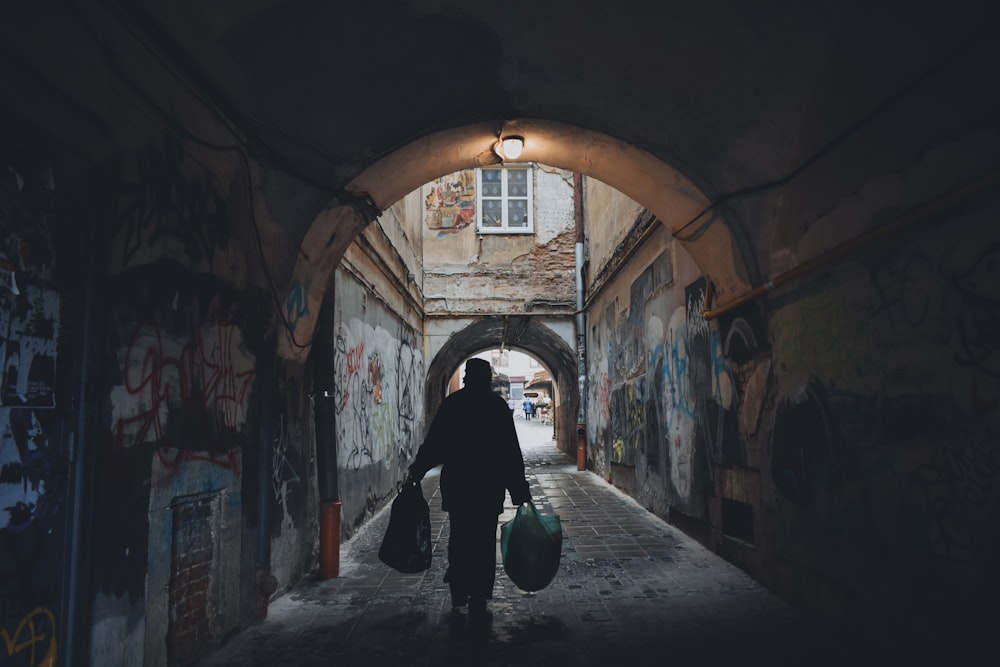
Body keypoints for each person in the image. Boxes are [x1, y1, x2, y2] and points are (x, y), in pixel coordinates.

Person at [408, 359, 531, 627]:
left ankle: (458, 589)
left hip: (459, 485)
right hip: (488, 487)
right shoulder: (496, 407)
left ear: (466, 379)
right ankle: (479, 596)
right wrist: (519, 490)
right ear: (487, 379)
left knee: (460, 537)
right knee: (484, 541)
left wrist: (417, 470)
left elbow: (435, 443)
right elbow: (509, 451)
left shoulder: (453, 404)